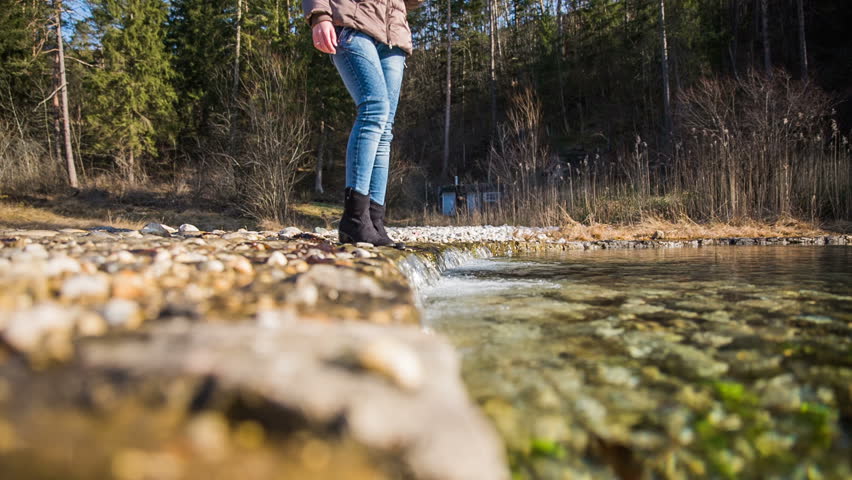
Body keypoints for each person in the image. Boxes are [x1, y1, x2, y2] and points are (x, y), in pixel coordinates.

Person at [303, 0, 424, 248]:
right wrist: (319, 16)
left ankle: (374, 221)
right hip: (352, 23)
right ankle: (355, 218)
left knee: (385, 128)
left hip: (393, 34)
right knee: (374, 109)